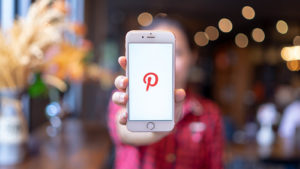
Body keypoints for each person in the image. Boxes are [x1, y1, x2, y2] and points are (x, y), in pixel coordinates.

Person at [108, 18, 224, 169]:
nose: (166, 61)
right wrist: (155, 132)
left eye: (176, 52)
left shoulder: (210, 113)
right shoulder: (125, 96)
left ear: (192, 57)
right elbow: (123, 132)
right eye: (155, 52)